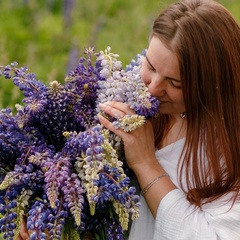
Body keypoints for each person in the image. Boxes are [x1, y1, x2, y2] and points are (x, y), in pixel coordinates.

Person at [18, 0, 240, 239]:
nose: (153, 88)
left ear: (212, 86)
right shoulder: (125, 96)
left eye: (175, 83)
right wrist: (46, 220)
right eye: (151, 66)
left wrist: (146, 164)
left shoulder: (228, 149)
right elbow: (99, 210)